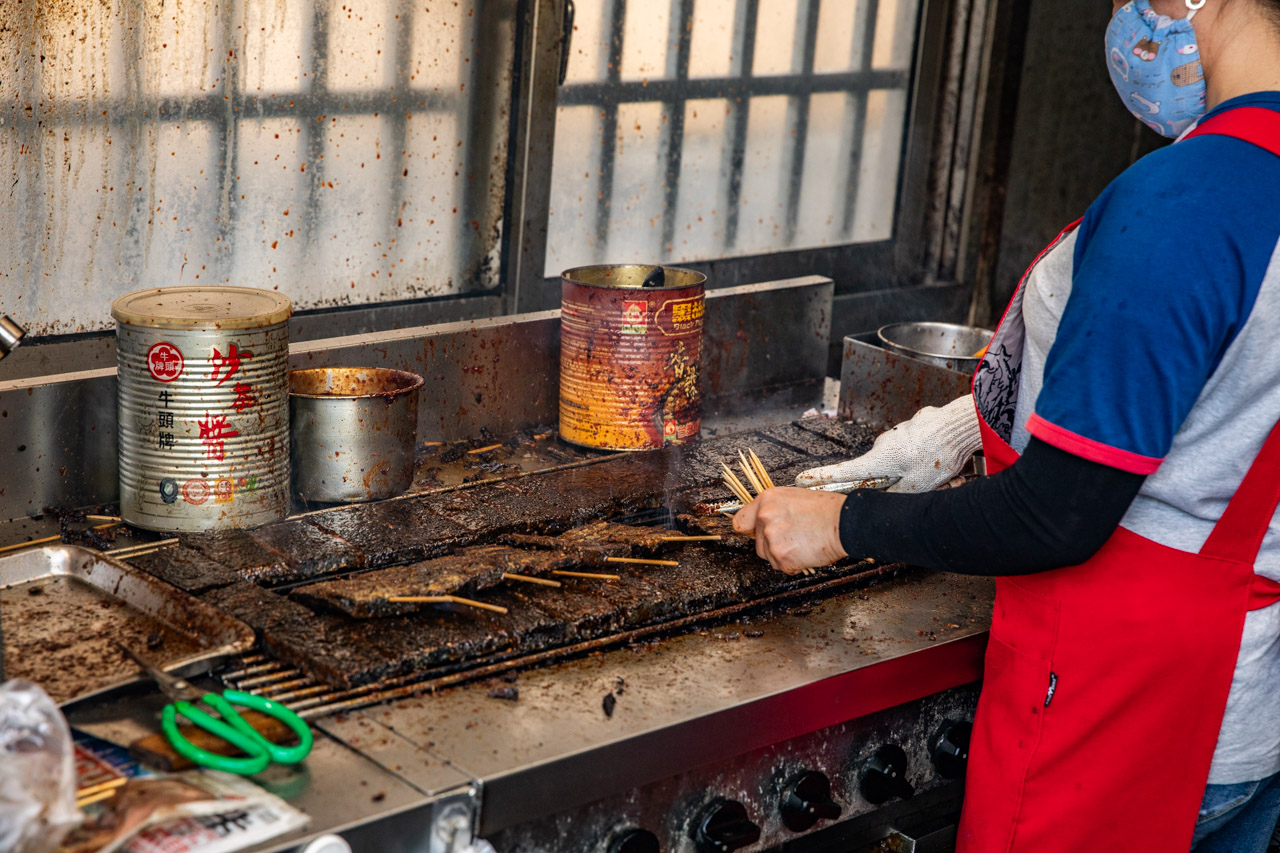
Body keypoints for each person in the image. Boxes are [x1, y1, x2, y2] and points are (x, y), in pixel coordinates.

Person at [733, 1, 1280, 850]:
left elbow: (1059, 512)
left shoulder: (1189, 202)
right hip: (1246, 703)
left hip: (1116, 702)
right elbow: (1215, 389)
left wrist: (842, 525)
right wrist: (955, 429)